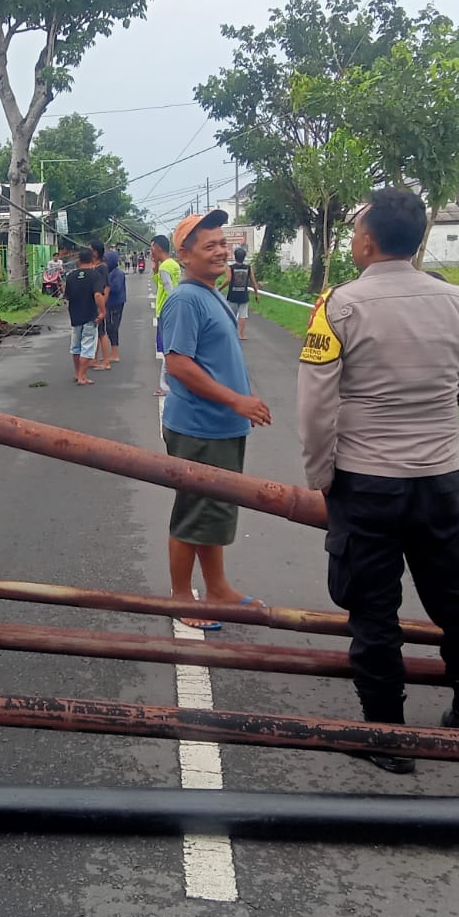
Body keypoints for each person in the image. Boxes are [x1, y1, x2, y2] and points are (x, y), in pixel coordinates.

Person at [296, 188, 459, 775]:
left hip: (366, 484)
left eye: (356, 230)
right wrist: (430, 394)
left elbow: (316, 408)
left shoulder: (338, 307)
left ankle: (387, 736)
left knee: (373, 610)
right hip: (440, 480)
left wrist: (321, 475)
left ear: (367, 239)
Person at [160, 209, 272, 629]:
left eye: (222, 243)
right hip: (200, 426)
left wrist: (239, 402)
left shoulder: (209, 293)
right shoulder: (187, 299)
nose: (221, 251)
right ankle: (180, 599)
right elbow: (179, 365)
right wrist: (236, 401)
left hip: (220, 425)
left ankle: (218, 588)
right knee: (194, 512)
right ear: (184, 255)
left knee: (215, 510)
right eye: (209, 246)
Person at [64, 247, 107, 385]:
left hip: (75, 317)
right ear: (93, 259)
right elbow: (98, 295)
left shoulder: (70, 276)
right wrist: (102, 311)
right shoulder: (95, 276)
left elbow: (68, 297)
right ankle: (83, 377)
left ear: (79, 260)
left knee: (76, 347)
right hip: (90, 317)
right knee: (87, 347)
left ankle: (77, 373)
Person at [150, 234, 180, 397]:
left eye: (152, 246)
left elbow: (169, 291)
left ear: (159, 248)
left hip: (166, 312)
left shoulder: (165, 267)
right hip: (171, 311)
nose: (151, 250)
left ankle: (166, 386)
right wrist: (155, 271)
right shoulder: (172, 264)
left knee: (166, 350)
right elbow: (163, 285)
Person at [218, 245, 262, 342]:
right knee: (243, 315)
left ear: (235, 256)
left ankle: (231, 333)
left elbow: (228, 280)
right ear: (244, 257)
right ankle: (241, 334)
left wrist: (219, 289)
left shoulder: (231, 268)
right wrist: (256, 294)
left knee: (231, 315)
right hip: (244, 295)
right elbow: (253, 281)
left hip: (233, 295)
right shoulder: (248, 268)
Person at [98, 255, 127, 369]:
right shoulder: (110, 273)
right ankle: (112, 353)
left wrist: (105, 286)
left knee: (112, 327)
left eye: (106, 261)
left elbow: (116, 288)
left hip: (116, 304)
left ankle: (115, 354)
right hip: (109, 304)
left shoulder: (117, 273)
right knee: (109, 327)